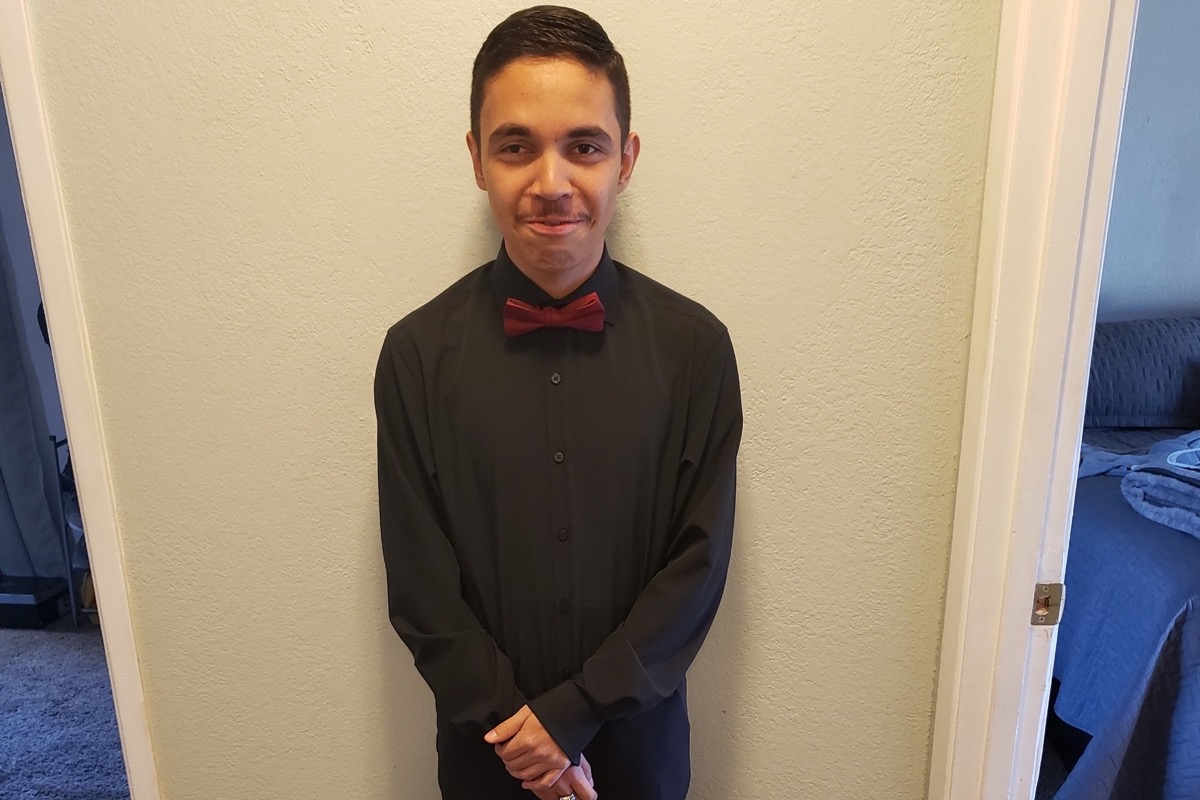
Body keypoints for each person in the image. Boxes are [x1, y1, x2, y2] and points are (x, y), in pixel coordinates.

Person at [375, 6, 742, 799]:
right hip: (488, 761)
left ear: (626, 160)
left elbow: (697, 567)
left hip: (638, 761)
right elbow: (419, 581)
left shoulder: (697, 351)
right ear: (478, 159)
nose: (551, 184)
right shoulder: (413, 357)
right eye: (516, 146)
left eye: (584, 146)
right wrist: (524, 735)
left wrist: (573, 716)